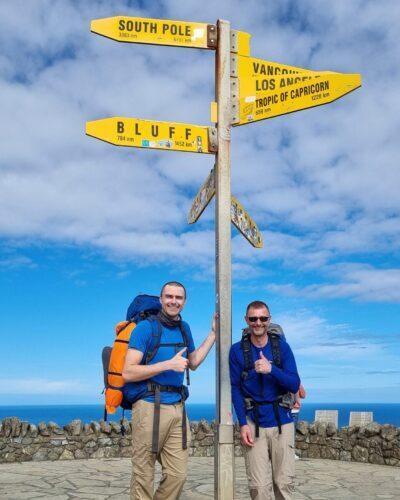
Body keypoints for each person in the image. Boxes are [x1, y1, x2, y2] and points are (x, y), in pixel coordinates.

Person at [122, 281, 216, 500]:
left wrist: (213, 334)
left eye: (179, 298)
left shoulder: (185, 328)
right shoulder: (145, 328)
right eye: (169, 296)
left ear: (184, 302)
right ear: (161, 299)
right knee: (143, 474)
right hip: (148, 406)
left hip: (177, 407)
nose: (174, 301)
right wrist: (167, 365)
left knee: (178, 475)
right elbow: (128, 372)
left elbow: (192, 362)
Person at [229, 300, 300, 500]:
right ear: (246, 320)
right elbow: (235, 389)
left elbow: (294, 383)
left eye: (262, 318)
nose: (258, 322)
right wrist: (242, 423)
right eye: (253, 318)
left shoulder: (282, 348)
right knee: (259, 488)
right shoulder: (236, 351)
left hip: (282, 422)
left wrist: (272, 370)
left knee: (284, 484)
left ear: (269, 320)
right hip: (253, 422)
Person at [292, 384, 306, 460]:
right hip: (294, 409)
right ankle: (291, 453)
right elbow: (303, 395)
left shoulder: (281, 378)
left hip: (283, 409)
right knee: (292, 433)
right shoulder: (296, 381)